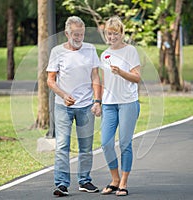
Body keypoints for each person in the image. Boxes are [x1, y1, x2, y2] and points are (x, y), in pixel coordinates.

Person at [46, 16, 102, 197]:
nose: (79, 38)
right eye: (75, 34)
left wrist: (97, 101)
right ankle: (61, 184)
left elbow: (95, 77)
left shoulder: (90, 49)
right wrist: (63, 95)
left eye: (81, 34)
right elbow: (50, 80)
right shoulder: (57, 52)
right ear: (66, 33)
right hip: (63, 106)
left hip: (86, 106)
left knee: (86, 146)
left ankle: (85, 180)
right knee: (63, 145)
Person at [99, 16, 141, 196]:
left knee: (125, 143)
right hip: (109, 104)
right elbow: (102, 81)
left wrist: (121, 72)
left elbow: (137, 77)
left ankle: (123, 182)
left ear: (121, 33)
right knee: (106, 143)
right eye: (109, 33)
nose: (112, 37)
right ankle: (114, 179)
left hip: (128, 103)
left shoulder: (130, 51)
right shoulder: (104, 54)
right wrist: (97, 102)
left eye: (115, 33)